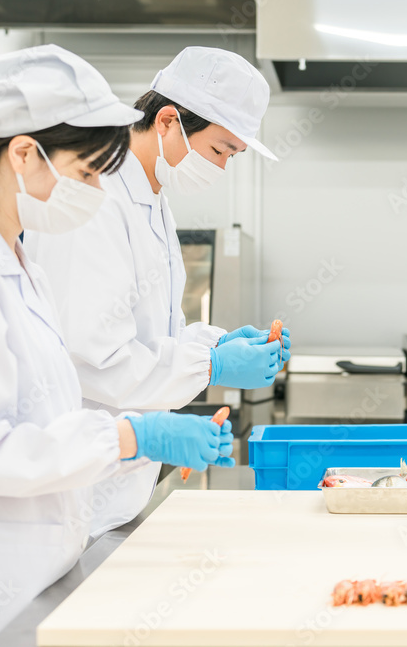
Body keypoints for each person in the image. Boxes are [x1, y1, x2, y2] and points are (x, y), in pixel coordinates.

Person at [0, 45, 235, 647]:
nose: (96, 192)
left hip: (20, 580)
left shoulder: (17, 266)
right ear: (24, 154)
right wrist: (132, 436)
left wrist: (138, 439)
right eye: (87, 174)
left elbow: (47, 419)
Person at [24, 47, 289, 534]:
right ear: (168, 120)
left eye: (232, 156)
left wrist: (216, 344)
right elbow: (91, 356)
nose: (222, 168)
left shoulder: (150, 196)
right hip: (73, 493)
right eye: (219, 150)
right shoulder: (94, 195)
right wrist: (211, 366)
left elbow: (151, 331)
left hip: (116, 493)